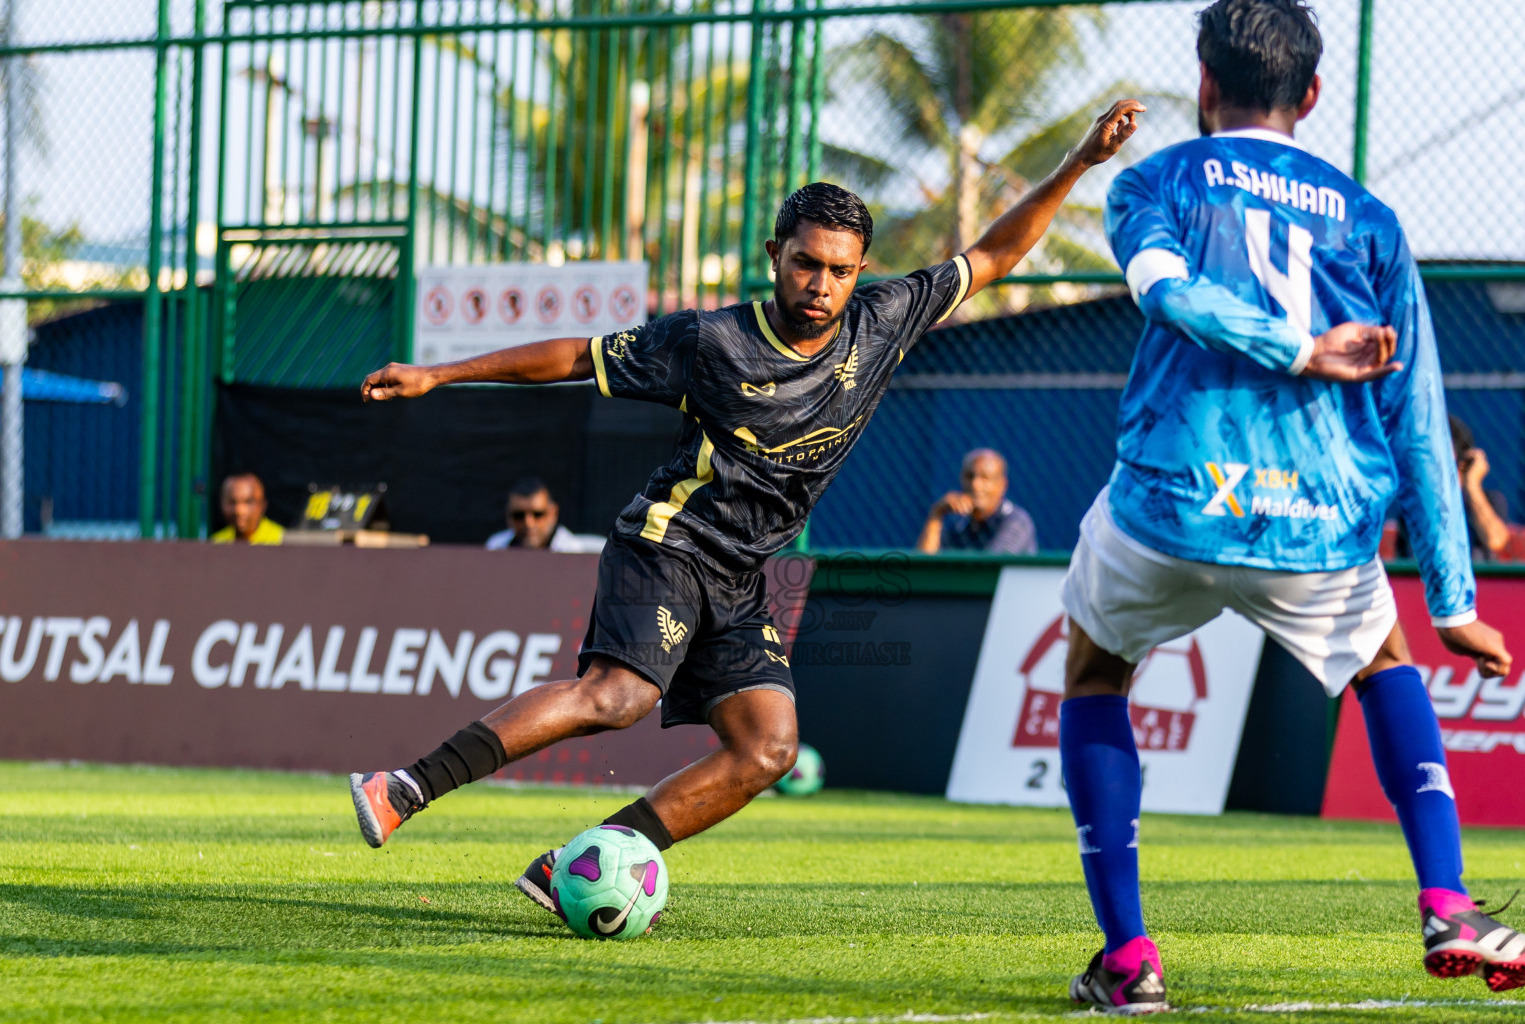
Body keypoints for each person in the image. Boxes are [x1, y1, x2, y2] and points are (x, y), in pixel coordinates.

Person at [348, 100, 1143, 915]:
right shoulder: (711, 341)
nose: (821, 284)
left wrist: (1080, 158)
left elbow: (996, 252)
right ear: (775, 255)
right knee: (616, 697)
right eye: (807, 264)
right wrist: (441, 374)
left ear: (861, 270)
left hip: (740, 575)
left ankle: (578, 865)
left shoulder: (881, 323)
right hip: (668, 542)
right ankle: (405, 787)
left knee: (768, 750)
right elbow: (575, 357)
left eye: (840, 270)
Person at [1058, 0, 1521, 1013]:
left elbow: (1165, 292)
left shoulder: (1154, 181)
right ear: (1311, 96)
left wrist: (1291, 346)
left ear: (1203, 83)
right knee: (1386, 663)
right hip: (1314, 520)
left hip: (1171, 502)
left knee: (1094, 673)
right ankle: (1446, 900)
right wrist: (1452, 599)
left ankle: (1129, 955)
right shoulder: (1371, 222)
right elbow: (1420, 415)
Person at [1388, 416, 1522, 562]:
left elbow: (1495, 541)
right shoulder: (1416, 507)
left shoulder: (1490, 500)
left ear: (1463, 462)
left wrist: (1472, 486)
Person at [916, 447, 1037, 554]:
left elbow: (991, 569)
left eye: (985, 478)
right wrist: (936, 515)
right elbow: (923, 569)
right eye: (969, 476)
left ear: (1002, 485)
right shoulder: (961, 528)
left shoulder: (1016, 521)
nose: (975, 484)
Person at [484, 476, 607, 553]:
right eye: (519, 515)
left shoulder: (570, 552)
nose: (528, 523)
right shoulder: (496, 547)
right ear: (508, 515)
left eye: (538, 515)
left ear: (553, 513)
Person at [209, 473, 284, 545]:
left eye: (248, 502)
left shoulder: (281, 540)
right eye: (232, 502)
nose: (239, 510)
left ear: (263, 504)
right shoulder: (217, 542)